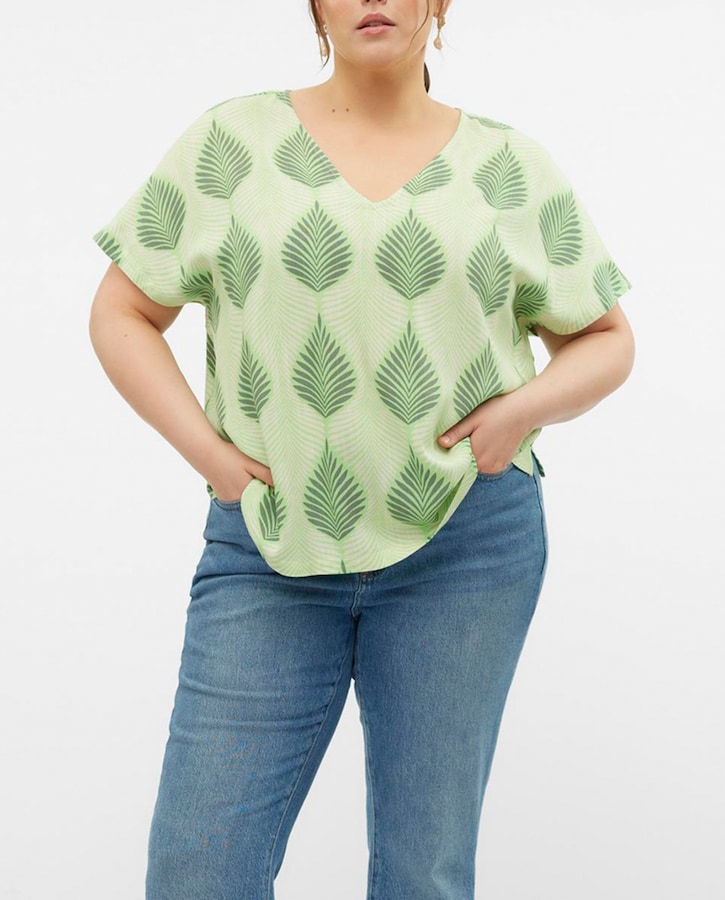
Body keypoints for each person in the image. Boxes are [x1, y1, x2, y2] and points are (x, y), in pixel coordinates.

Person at [89, 1, 635, 897]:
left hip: (466, 545)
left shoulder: (511, 166)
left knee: (423, 873)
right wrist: (208, 455)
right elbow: (121, 311)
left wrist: (519, 413)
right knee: (198, 871)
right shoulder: (230, 143)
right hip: (265, 545)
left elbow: (606, 339)